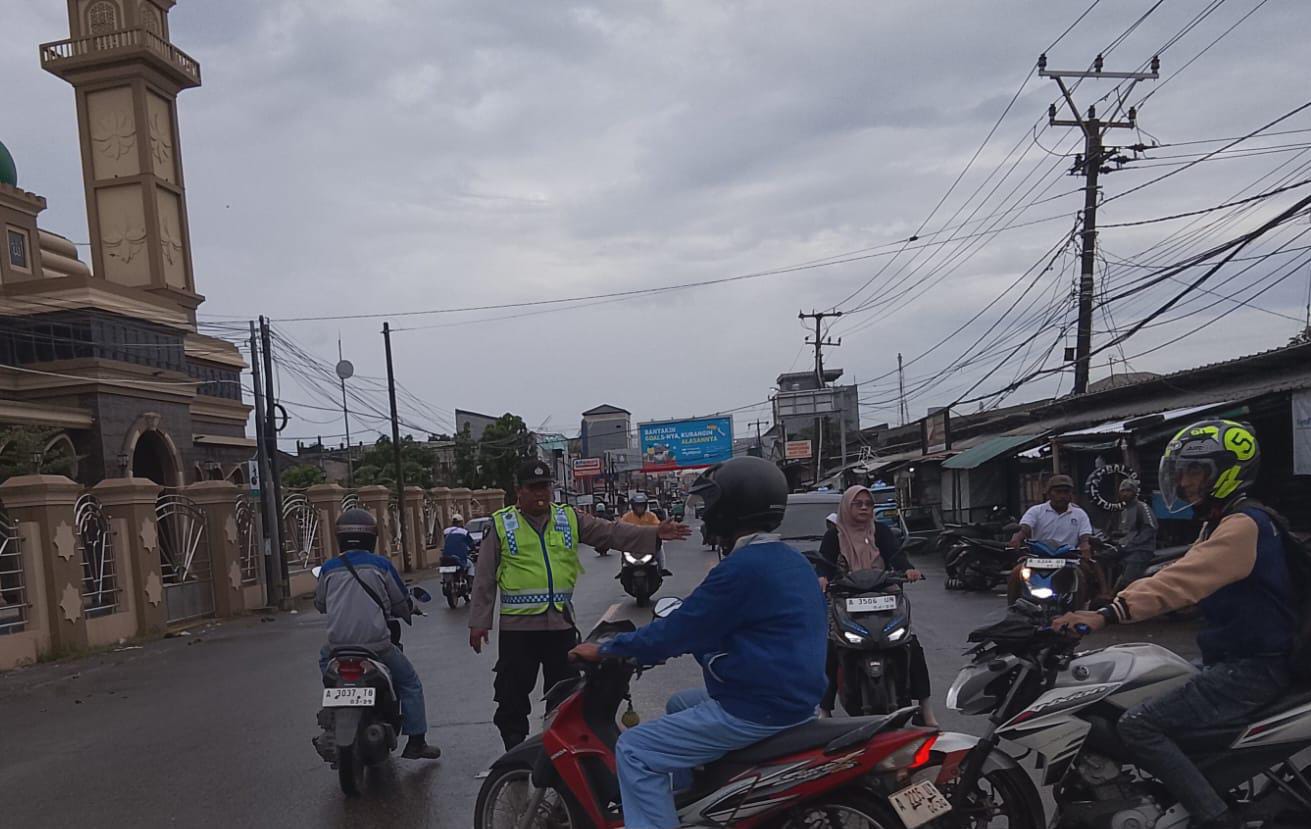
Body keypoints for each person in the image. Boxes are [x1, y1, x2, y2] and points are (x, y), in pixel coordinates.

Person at [1055, 420, 1296, 829]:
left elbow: (1181, 580)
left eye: (1194, 471)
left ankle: (1215, 817)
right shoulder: (1222, 520)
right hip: (1234, 660)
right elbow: (1178, 571)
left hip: (1254, 668)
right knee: (1139, 689)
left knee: (1139, 724)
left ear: (1227, 472)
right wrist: (1115, 601)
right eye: (1182, 472)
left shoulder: (1243, 525)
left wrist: (1107, 614)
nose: (1183, 482)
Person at [571, 456, 827, 829]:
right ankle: (692, 803)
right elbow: (708, 622)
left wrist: (609, 649)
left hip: (756, 707)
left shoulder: (741, 569)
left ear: (731, 509)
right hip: (794, 698)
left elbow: (680, 630)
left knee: (635, 749)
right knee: (680, 703)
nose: (706, 514)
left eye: (711, 505)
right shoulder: (790, 560)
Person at [469, 459, 691, 750]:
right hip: (518, 630)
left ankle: (558, 751)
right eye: (533, 488)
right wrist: (479, 622)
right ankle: (514, 751)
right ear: (518, 490)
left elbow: (611, 532)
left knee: (566, 693)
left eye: (545, 487)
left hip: (560, 625)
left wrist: (654, 533)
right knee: (512, 694)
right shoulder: (501, 524)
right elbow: (484, 576)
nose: (541, 493)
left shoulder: (568, 518)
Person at [314, 508, 441, 760]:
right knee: (410, 683)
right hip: (377, 646)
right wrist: (409, 610)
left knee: (323, 661)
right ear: (371, 537)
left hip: (338, 647)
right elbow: (400, 601)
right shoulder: (381, 565)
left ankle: (337, 698)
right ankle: (417, 741)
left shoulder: (328, 568)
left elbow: (321, 604)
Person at [813, 485, 935, 725]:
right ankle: (825, 709)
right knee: (834, 648)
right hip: (846, 598)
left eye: (868, 504)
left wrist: (908, 570)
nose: (864, 508)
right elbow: (824, 563)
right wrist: (822, 577)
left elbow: (896, 556)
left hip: (884, 596)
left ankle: (926, 707)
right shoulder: (834, 536)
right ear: (846, 507)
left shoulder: (881, 531)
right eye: (858, 504)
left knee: (911, 645)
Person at [1006, 474, 1103, 605]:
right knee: (1016, 573)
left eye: (1066, 492)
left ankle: (1079, 608)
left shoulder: (1079, 514)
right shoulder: (1036, 511)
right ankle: (1012, 608)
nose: (1062, 496)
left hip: (1069, 559)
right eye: (1058, 492)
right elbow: (1025, 527)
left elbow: (1084, 535)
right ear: (1049, 493)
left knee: (1084, 574)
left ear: (1071, 494)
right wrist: (1017, 538)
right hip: (1038, 558)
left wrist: (1085, 545)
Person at [1105, 479, 1158, 591]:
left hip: (1140, 550)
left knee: (1127, 582)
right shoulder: (1123, 511)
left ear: (1134, 492)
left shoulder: (1142, 507)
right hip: (1126, 550)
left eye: (1128, 490)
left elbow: (1150, 529)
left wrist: (1133, 544)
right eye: (1122, 491)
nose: (1125, 494)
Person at [621, 493, 671, 575]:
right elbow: (620, 527)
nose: (639, 508)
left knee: (660, 549)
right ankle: (623, 569)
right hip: (632, 545)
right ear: (633, 506)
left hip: (648, 544)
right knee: (624, 553)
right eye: (637, 506)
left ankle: (662, 568)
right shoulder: (627, 517)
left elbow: (657, 526)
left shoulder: (651, 516)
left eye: (641, 506)